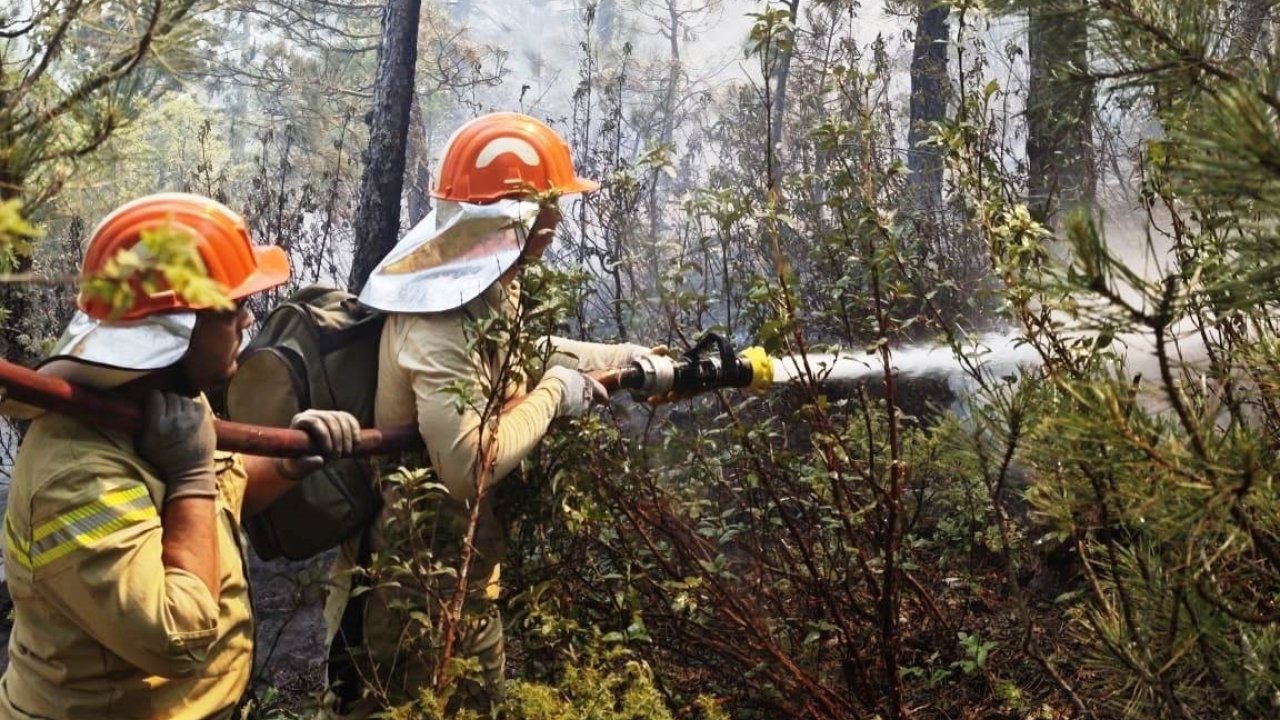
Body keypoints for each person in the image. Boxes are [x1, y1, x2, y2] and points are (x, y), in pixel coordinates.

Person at [322, 112, 661, 716]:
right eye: (548, 205)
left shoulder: (487, 282)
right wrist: (556, 393)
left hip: (468, 584)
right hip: (404, 601)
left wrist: (624, 357)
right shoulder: (437, 320)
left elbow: (522, 353)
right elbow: (467, 466)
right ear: (512, 216)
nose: (558, 220)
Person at [0, 193, 361, 719]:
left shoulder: (166, 399)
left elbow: (222, 493)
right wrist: (191, 475)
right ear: (177, 326)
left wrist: (291, 461)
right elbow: (177, 637)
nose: (248, 319)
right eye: (234, 306)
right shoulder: (76, 475)